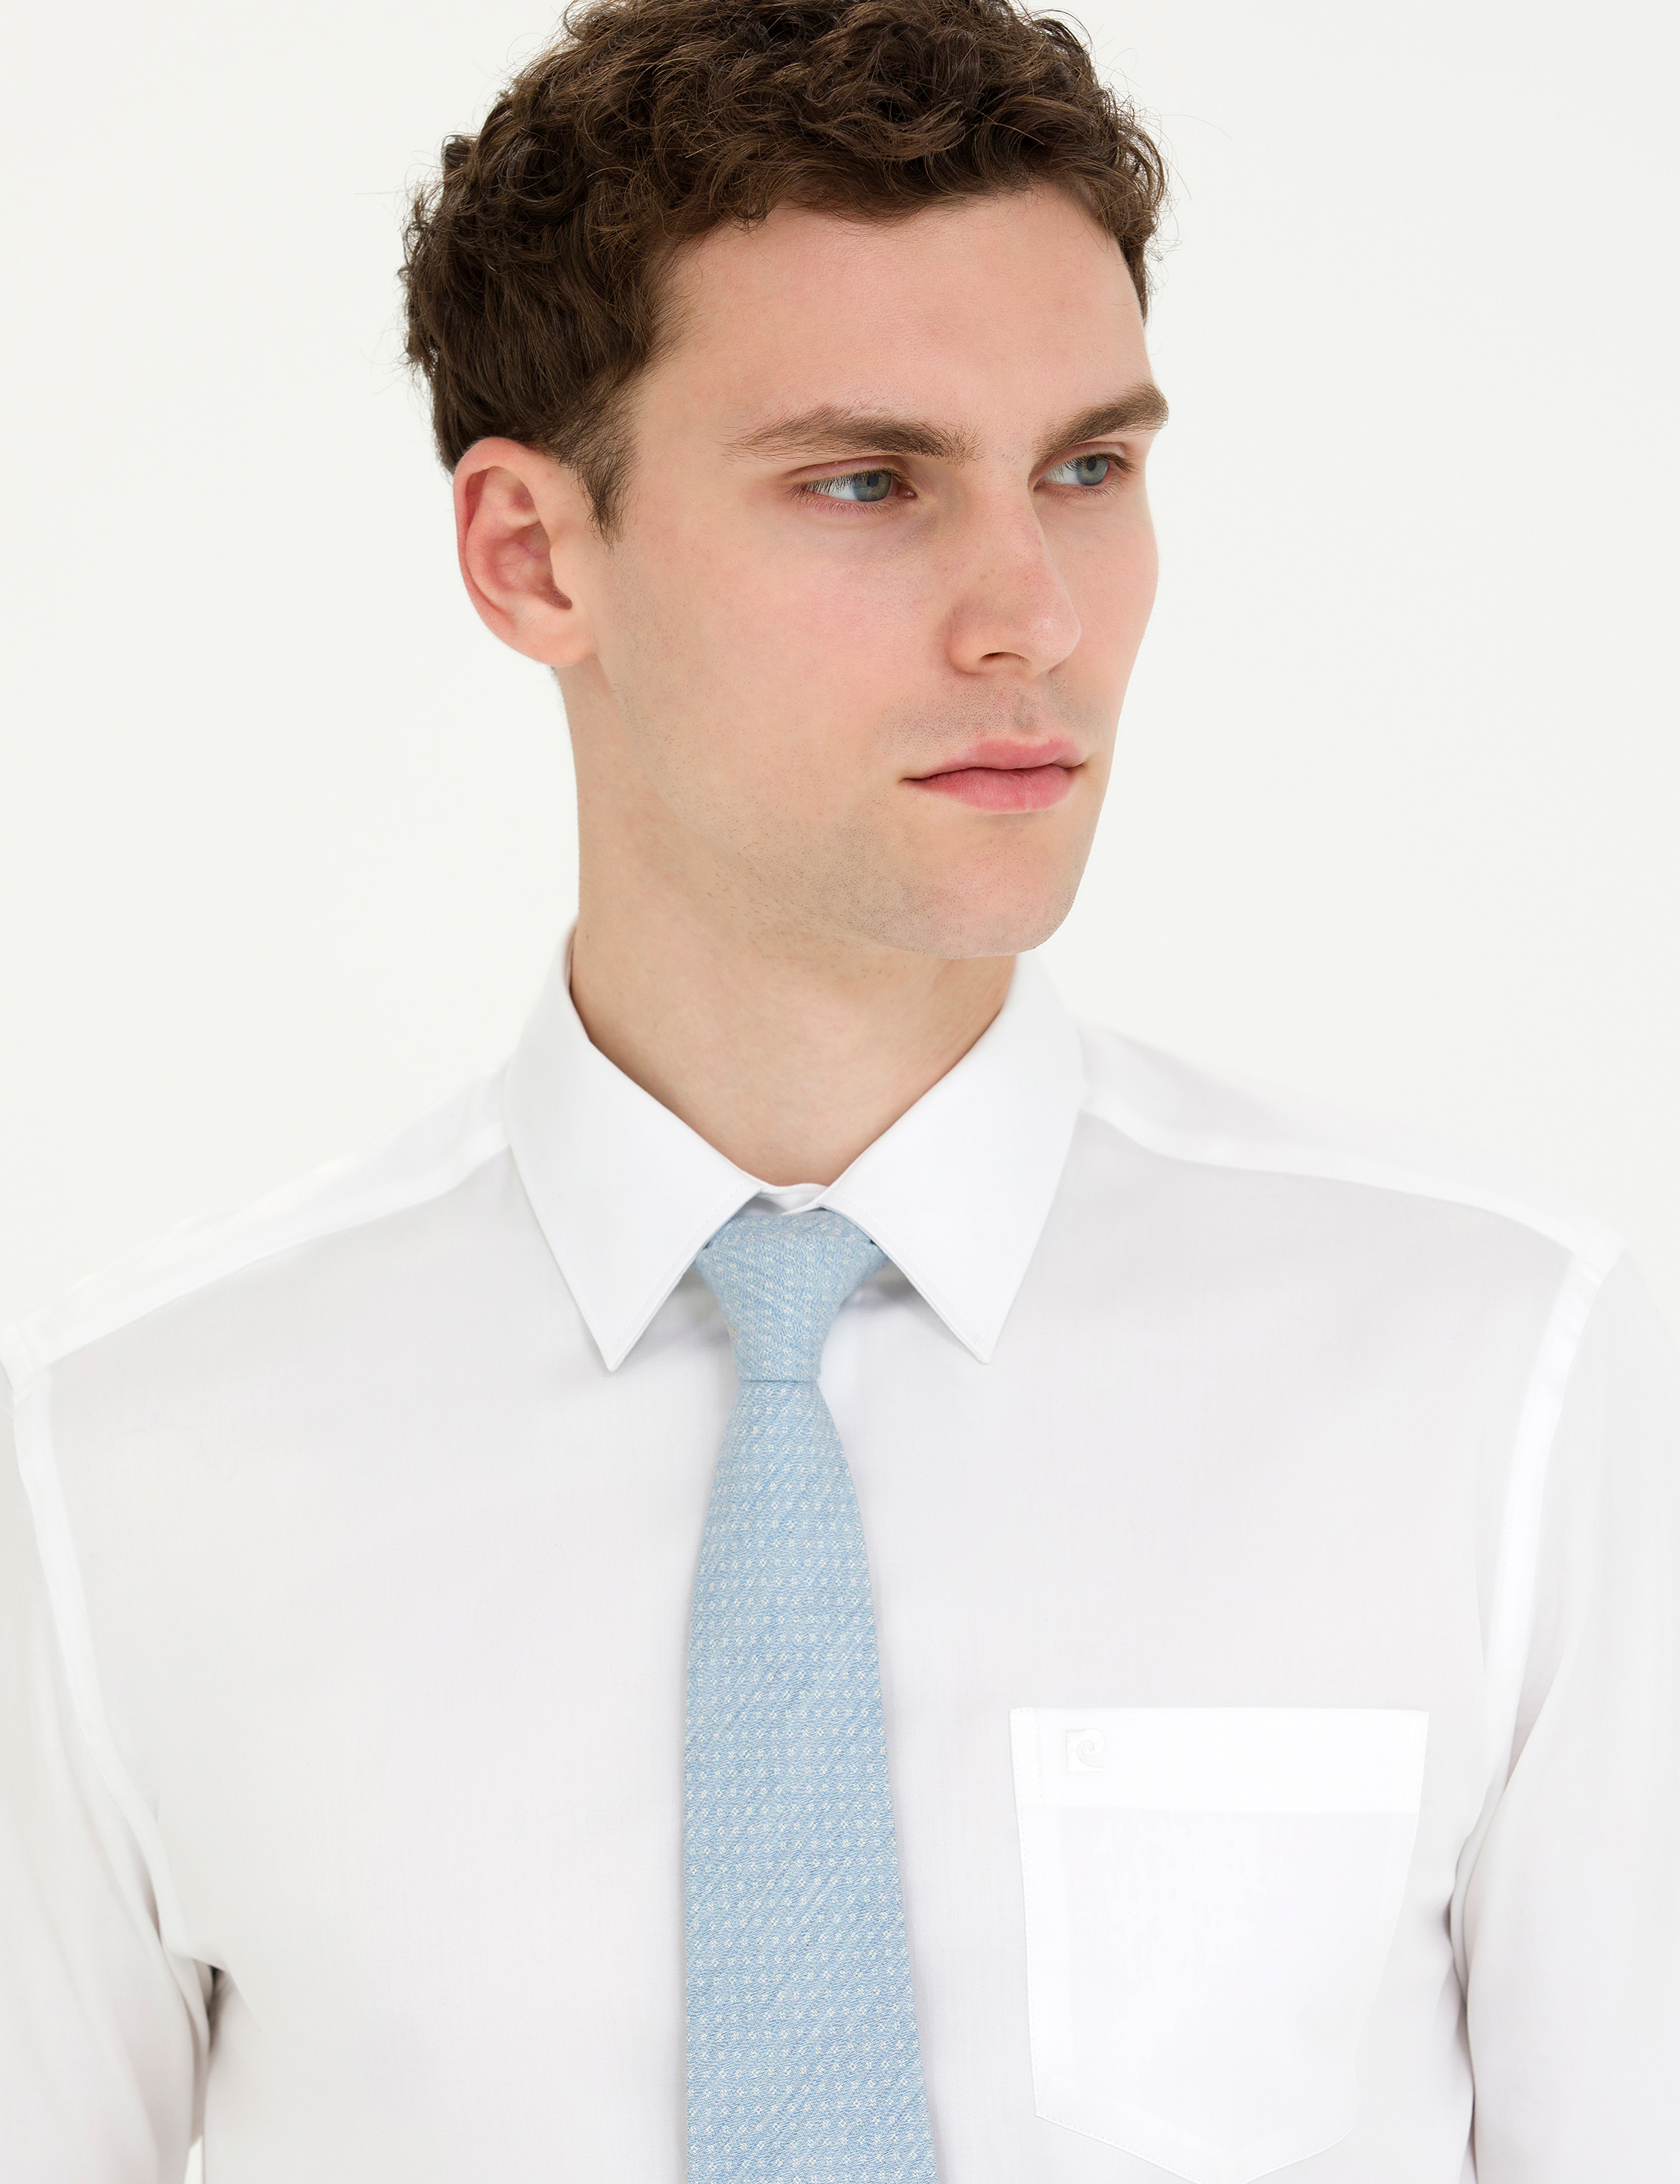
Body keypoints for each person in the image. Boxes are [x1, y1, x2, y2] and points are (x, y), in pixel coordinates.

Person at [2, 0, 1675, 2176]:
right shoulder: (115, 1468)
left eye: (1088, 469)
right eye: (868, 483)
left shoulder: (1503, 1381)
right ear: (531, 555)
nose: (1031, 614)